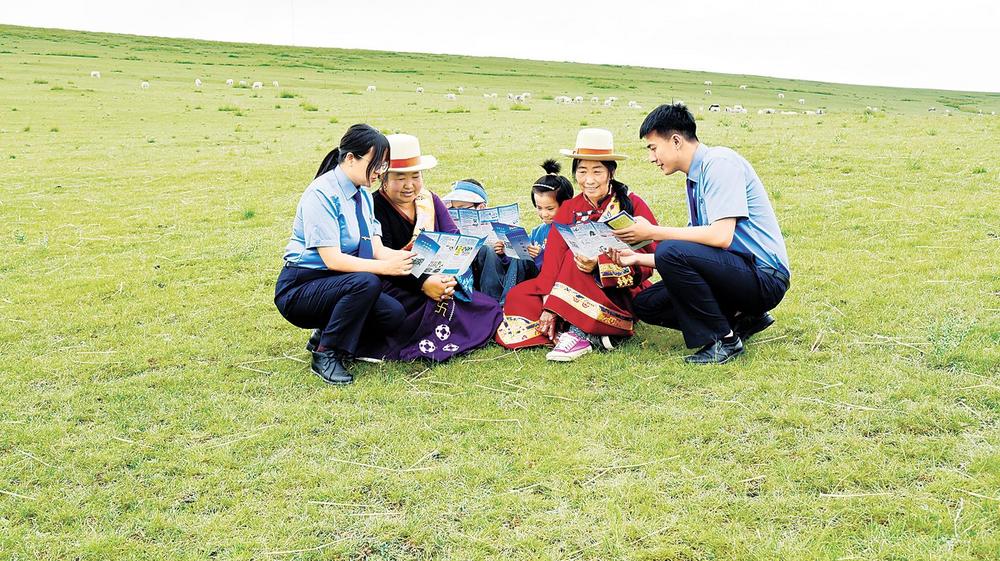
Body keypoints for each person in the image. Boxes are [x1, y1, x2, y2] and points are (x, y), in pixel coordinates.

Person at [610, 103, 791, 364]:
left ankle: (724, 341)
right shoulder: (694, 179)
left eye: (653, 147)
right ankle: (744, 319)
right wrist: (636, 258)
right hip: (736, 273)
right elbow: (698, 253)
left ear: (676, 141)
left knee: (670, 249)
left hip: (764, 278)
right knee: (647, 304)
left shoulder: (719, 164)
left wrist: (652, 232)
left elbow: (720, 237)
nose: (651, 157)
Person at [496, 128, 658, 361]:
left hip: (616, 288)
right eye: (582, 171)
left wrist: (599, 265)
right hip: (567, 283)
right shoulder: (570, 208)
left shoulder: (632, 204)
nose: (589, 180)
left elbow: (649, 259)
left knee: (573, 263)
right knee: (518, 296)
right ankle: (590, 332)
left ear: (611, 172)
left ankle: (578, 333)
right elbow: (552, 261)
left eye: (597, 171)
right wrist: (550, 305)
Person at [274, 124, 414, 385]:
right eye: (376, 164)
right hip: (301, 285)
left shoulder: (363, 195)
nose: (380, 172)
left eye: (384, 165)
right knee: (366, 282)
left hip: (338, 282)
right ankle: (325, 353)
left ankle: (326, 333)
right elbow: (333, 259)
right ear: (351, 158)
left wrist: (408, 259)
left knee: (393, 314)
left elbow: (376, 249)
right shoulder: (322, 193)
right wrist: (385, 268)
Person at [357, 133, 502, 361]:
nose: (409, 185)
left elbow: (453, 238)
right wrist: (424, 283)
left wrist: (448, 276)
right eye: (399, 178)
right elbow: (381, 259)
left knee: (488, 308)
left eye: (415, 176)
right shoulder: (374, 206)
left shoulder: (429, 200)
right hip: (397, 282)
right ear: (383, 178)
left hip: (438, 275)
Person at [473, 159, 574, 304]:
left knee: (523, 258)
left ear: (565, 204)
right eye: (539, 208)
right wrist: (504, 252)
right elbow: (516, 266)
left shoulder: (569, 231)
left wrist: (539, 257)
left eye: (550, 209)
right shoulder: (538, 231)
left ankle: (505, 304)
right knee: (512, 253)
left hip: (553, 282)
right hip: (528, 280)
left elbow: (565, 268)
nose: (544, 214)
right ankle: (496, 302)